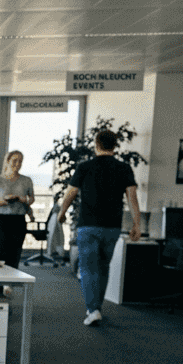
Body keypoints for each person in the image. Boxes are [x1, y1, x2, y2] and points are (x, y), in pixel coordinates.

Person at [58, 129, 142, 326]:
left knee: (88, 269)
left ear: (96, 144)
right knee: (103, 267)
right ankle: (97, 307)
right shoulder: (124, 168)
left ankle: (92, 309)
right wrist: (136, 224)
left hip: (88, 225)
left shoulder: (85, 166)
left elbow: (70, 193)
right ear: (115, 145)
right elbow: (132, 198)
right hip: (112, 227)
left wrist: (62, 213)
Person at [0, 150, 35, 268]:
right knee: (1, 254)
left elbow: (31, 199)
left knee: (15, 254)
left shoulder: (26, 180)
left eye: (20, 161)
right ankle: (0, 285)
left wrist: (22, 199)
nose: (18, 164)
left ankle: (10, 285)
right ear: (7, 161)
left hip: (18, 220)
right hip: (0, 220)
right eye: (15, 160)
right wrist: (5, 201)